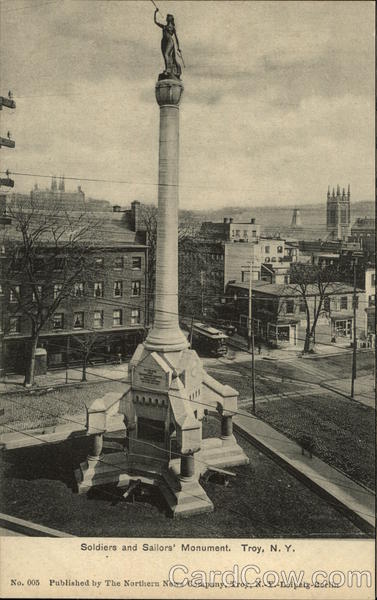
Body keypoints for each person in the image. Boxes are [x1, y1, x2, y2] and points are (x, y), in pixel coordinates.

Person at [154, 9, 182, 79]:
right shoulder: (164, 26)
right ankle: (167, 69)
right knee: (166, 56)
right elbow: (155, 21)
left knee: (167, 54)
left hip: (170, 41)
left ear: (170, 19)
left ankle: (168, 69)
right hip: (164, 42)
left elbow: (176, 38)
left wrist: (178, 47)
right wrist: (155, 13)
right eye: (167, 17)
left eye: (168, 17)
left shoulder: (172, 28)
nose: (166, 18)